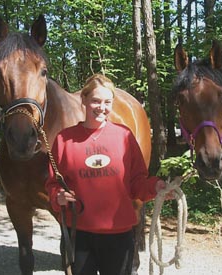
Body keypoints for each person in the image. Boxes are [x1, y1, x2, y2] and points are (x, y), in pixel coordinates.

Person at [45, 74, 171, 275]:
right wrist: (57, 196)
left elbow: (137, 182)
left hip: (118, 235)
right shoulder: (64, 140)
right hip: (78, 234)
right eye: (95, 101)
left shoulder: (125, 137)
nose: (101, 107)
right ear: (84, 100)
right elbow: (53, 183)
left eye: (107, 102)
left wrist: (155, 186)